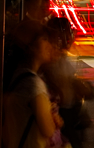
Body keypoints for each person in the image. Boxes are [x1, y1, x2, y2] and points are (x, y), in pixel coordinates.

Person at [2, 20, 65, 148]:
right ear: (31, 46)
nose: (50, 44)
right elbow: (47, 130)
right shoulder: (33, 84)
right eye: (45, 39)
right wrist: (53, 119)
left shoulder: (18, 75)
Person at [41, 17, 91, 148]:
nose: (70, 36)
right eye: (67, 32)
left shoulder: (64, 57)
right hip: (60, 113)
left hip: (68, 112)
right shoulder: (51, 61)